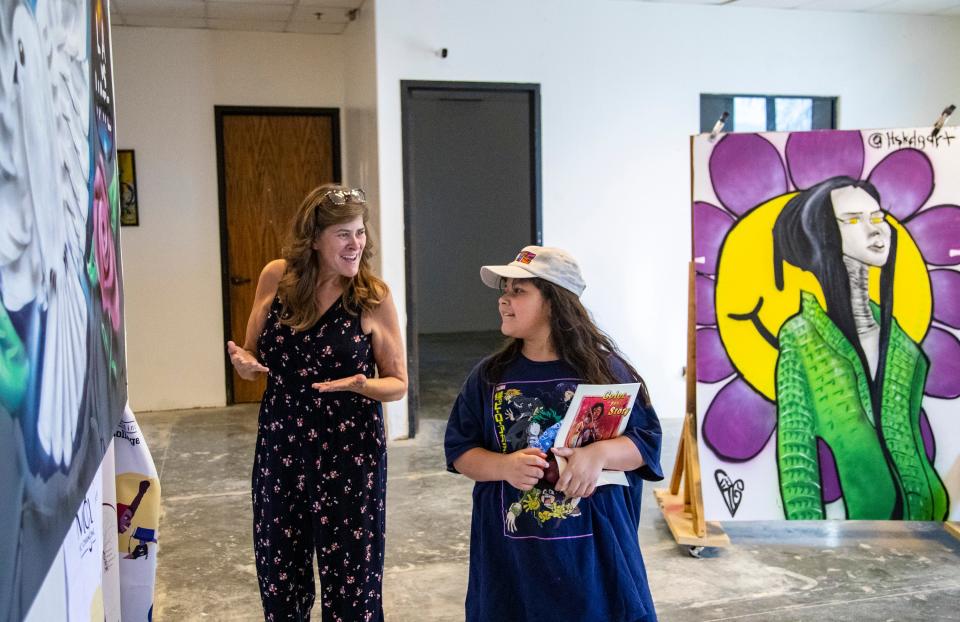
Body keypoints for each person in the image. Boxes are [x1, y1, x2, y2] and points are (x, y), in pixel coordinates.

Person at [444, 246, 662, 622]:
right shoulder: (490, 377)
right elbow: (461, 450)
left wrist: (600, 454)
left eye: (519, 291)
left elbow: (646, 443)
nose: (504, 301)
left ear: (554, 303)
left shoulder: (606, 372)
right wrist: (504, 466)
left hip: (593, 561)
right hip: (513, 561)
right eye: (505, 291)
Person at [226, 184, 406, 621]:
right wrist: (245, 364)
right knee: (279, 569)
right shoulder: (276, 278)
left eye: (360, 233)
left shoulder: (371, 296)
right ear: (314, 238)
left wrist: (363, 385)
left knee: (352, 578)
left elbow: (398, 383)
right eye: (343, 234)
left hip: (350, 450)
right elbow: (252, 352)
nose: (355, 244)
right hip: (282, 444)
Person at [772, 176, 948, 521]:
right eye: (854, 219)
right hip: (854, 531)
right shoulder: (801, 338)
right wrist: (805, 538)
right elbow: (797, 463)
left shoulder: (898, 340)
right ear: (823, 232)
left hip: (928, 520)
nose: (875, 230)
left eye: (878, 217)